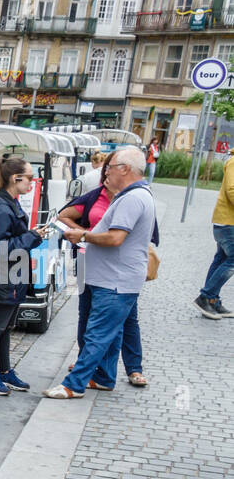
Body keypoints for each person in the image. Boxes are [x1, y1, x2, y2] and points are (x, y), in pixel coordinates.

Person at [44, 146, 156, 399]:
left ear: (125, 169)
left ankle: (73, 385)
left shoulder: (133, 198)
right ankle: (104, 377)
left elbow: (116, 238)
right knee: (106, 333)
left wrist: (82, 234)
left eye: (111, 167)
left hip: (114, 280)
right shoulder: (132, 195)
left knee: (97, 334)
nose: (105, 172)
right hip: (106, 276)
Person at [0, 156, 45, 396]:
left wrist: (31, 236)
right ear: (16, 178)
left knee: (5, 327)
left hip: (13, 274)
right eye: (29, 178)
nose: (32, 183)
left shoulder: (8, 204)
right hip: (4, 274)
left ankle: (4, 372)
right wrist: (32, 237)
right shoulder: (1, 207)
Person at [195, 150, 234, 319]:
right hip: (228, 222)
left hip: (226, 221)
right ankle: (205, 296)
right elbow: (232, 190)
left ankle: (211, 300)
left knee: (221, 259)